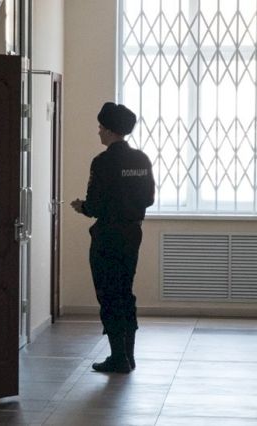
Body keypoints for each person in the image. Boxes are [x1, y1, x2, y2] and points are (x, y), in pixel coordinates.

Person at [71, 102, 155, 373]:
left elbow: (95, 206)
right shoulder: (141, 160)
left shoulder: (102, 162)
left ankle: (118, 357)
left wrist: (81, 206)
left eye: (100, 127)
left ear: (109, 130)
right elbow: (149, 199)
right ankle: (129, 355)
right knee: (125, 291)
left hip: (107, 235)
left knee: (108, 293)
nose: (98, 132)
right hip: (132, 234)